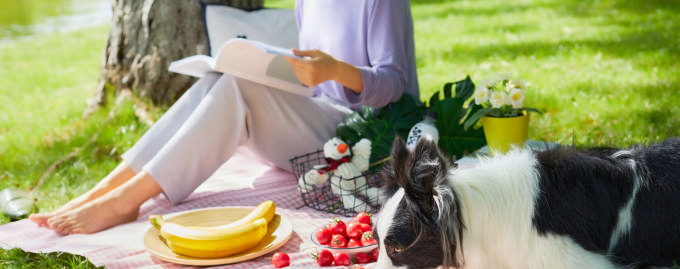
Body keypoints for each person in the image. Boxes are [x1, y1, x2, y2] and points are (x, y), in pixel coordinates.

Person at [31, 0, 418, 235]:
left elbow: (394, 84)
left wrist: (334, 70)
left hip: (370, 142)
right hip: (325, 126)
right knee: (219, 78)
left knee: (239, 89)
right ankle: (109, 189)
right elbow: (317, 82)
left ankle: (126, 199)